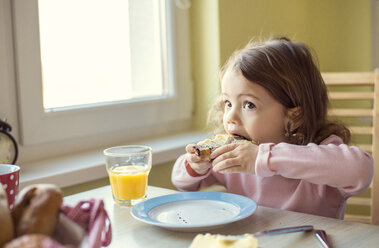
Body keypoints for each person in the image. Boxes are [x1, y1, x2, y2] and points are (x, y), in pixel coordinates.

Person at [171, 36, 374, 219]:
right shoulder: (234, 156)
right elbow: (181, 181)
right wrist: (195, 167)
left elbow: (362, 170)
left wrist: (263, 158)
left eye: (249, 105)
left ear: (294, 115)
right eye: (227, 103)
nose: (230, 117)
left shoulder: (321, 150)